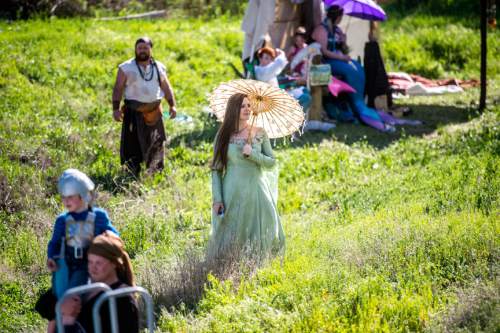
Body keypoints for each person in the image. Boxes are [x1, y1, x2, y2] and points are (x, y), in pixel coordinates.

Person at [208, 93, 285, 260]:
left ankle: (259, 267)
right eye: (242, 106)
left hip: (257, 191)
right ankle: (230, 265)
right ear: (233, 109)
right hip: (232, 192)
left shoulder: (259, 133)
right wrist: (217, 199)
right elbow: (216, 170)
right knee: (232, 231)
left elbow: (272, 162)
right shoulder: (223, 135)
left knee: (264, 228)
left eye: (249, 105)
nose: (247, 109)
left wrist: (254, 155)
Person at [312, 5, 396, 132]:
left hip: (337, 59)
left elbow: (344, 50)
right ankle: (359, 107)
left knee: (358, 67)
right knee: (350, 70)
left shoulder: (337, 30)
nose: (341, 20)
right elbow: (323, 51)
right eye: (340, 17)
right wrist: (341, 58)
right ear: (337, 16)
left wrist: (344, 42)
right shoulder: (321, 30)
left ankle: (358, 103)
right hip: (325, 63)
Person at [37, 234, 139, 333]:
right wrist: (61, 306)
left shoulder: (122, 298)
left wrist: (69, 319)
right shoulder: (84, 284)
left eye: (98, 263)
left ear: (114, 263)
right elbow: (43, 306)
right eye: (90, 262)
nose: (93, 268)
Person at [47, 169, 119, 299]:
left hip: (95, 265)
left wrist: (109, 238)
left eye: (70, 197)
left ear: (83, 195)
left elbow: (113, 236)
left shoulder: (99, 216)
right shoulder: (62, 220)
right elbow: (55, 243)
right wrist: (51, 257)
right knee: (63, 299)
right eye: (63, 197)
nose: (66, 201)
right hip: (69, 267)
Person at [112, 36, 177, 177]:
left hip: (154, 112)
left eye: (145, 48)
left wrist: (172, 105)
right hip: (133, 112)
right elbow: (118, 88)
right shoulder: (126, 67)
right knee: (132, 144)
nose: (142, 50)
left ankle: (155, 172)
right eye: (140, 48)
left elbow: (166, 87)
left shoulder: (159, 67)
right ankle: (132, 173)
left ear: (150, 49)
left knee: (156, 142)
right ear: (135, 49)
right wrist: (115, 109)